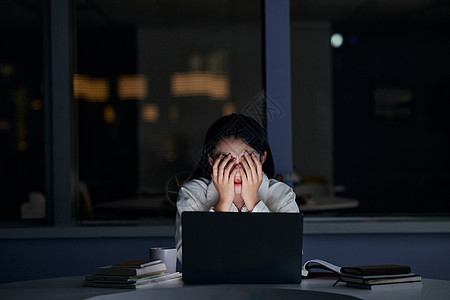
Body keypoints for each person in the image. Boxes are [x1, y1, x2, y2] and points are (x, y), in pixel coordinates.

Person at [175, 114, 299, 262]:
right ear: (210, 160)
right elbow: (189, 258)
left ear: (262, 158)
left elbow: (290, 256)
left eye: (247, 158)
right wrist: (224, 202)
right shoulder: (192, 194)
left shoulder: (282, 195)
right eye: (227, 159)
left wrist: (253, 201)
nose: (238, 169)